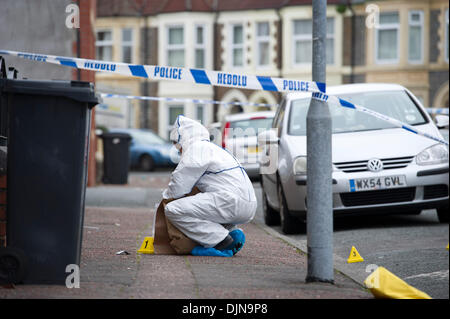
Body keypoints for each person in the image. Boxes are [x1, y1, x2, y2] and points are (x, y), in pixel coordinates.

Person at [162, 115, 257, 256]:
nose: (178, 149)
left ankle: (222, 241)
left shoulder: (196, 149)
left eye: (177, 143)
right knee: (204, 208)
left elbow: (179, 184)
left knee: (173, 209)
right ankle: (233, 233)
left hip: (230, 201)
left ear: (184, 138)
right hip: (249, 205)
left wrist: (166, 198)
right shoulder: (214, 149)